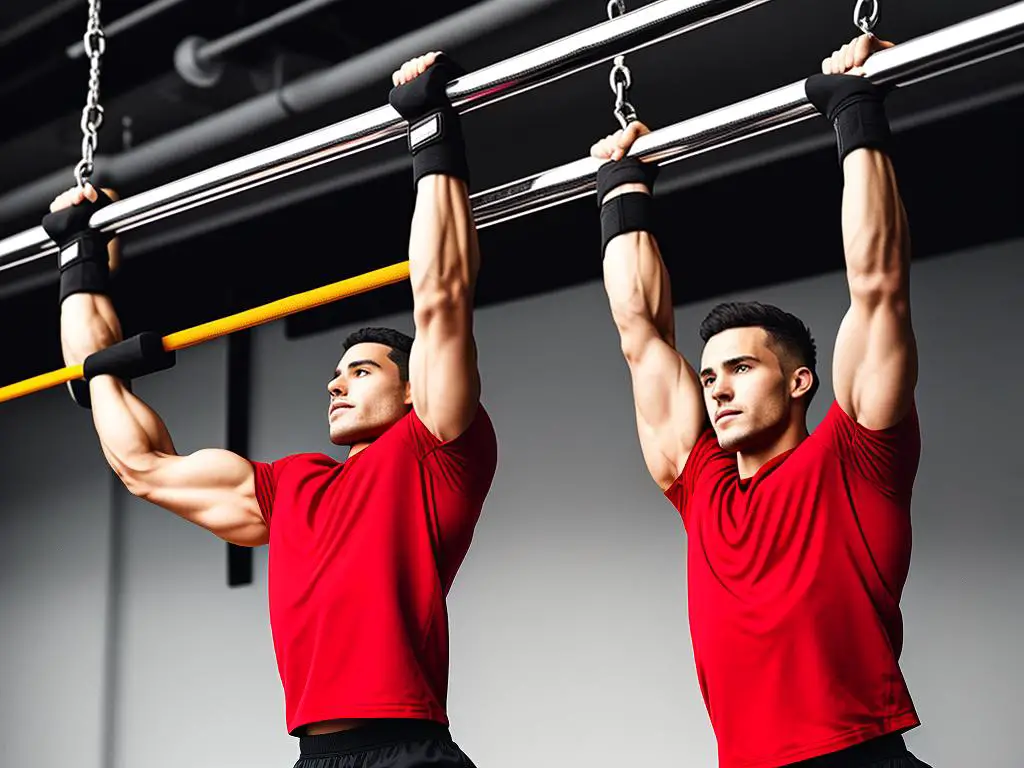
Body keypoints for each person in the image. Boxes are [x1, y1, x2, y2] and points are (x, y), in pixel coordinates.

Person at [49, 51, 496, 768]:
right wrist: (81, 270)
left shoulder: (434, 450)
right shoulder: (292, 487)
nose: (335, 385)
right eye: (333, 373)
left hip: (408, 752)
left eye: (360, 370)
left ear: (411, 387)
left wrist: (430, 128)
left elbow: (442, 297)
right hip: (313, 759)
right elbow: (141, 467)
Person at [591, 34, 933, 768]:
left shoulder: (858, 458)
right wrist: (622, 190)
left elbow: (878, 286)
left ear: (800, 380)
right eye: (710, 376)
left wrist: (856, 112)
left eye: (741, 368)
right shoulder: (702, 485)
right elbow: (641, 335)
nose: (716, 388)